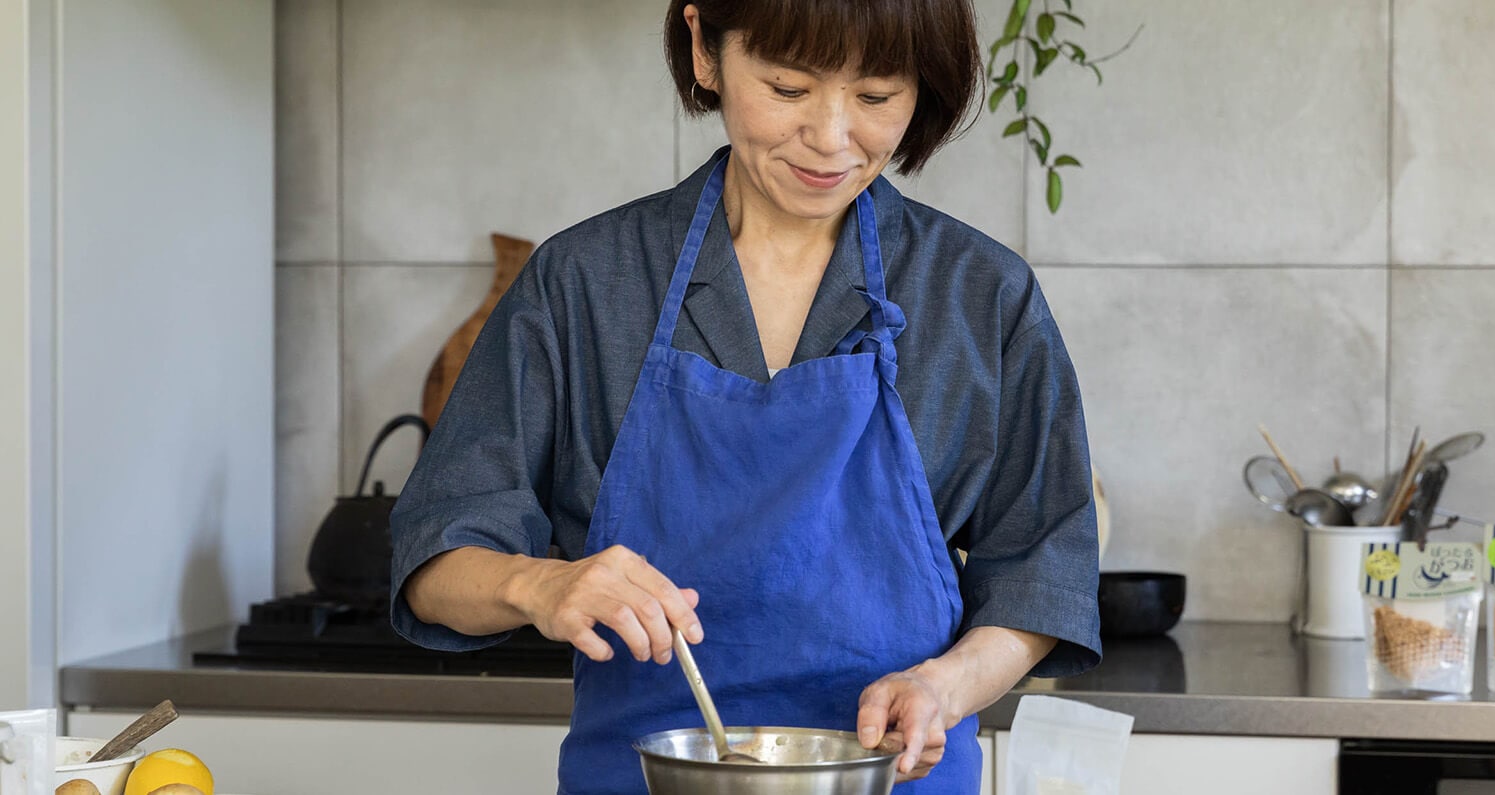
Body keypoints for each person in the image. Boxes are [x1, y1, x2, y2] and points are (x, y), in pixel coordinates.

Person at [388, 1, 1101, 792]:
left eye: (875, 97)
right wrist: (540, 584)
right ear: (705, 50)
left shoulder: (979, 295)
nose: (832, 139)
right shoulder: (585, 284)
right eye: (789, 88)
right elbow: (434, 563)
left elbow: (1042, 570)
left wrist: (947, 685)